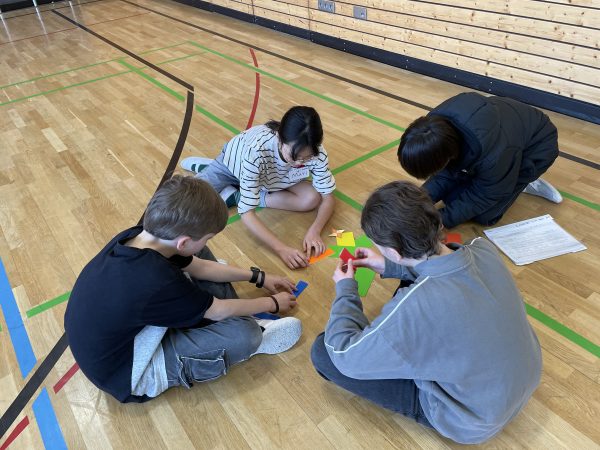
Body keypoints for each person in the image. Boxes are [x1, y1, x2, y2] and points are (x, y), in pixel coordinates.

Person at [311, 181, 542, 444]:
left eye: (381, 248)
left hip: (472, 420)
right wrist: (389, 266)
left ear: (394, 251)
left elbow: (345, 356)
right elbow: (445, 272)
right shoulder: (482, 247)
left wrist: (346, 289)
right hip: (522, 382)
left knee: (323, 352)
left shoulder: (414, 307)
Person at [64, 176, 302, 404]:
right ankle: (255, 331)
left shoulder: (138, 236)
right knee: (245, 335)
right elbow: (218, 310)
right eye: (207, 237)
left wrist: (258, 277)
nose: (207, 242)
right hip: (128, 374)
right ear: (183, 241)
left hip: (121, 335)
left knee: (197, 256)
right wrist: (272, 303)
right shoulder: (156, 279)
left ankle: (213, 312)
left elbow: (202, 267)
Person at [180, 106, 336, 269]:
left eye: (306, 158)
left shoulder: (316, 153)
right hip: (232, 167)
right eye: (294, 156)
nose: (299, 163)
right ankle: (210, 167)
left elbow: (328, 197)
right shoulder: (256, 152)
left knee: (311, 199)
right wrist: (281, 249)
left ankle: (240, 196)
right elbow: (247, 213)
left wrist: (315, 231)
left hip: (271, 178)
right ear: (280, 138)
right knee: (191, 202)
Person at [398, 92, 562, 229]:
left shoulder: (495, 156)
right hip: (504, 129)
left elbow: (484, 196)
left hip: (537, 146)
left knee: (485, 216)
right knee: (454, 198)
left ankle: (521, 180)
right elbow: (444, 174)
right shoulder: (434, 129)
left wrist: (438, 221)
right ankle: (504, 176)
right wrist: (418, 203)